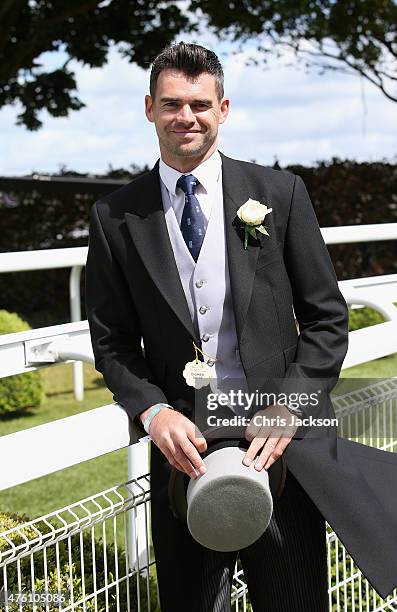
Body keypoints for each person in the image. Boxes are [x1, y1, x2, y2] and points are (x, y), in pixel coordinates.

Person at [85, 41, 350, 611]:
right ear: (150, 108)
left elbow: (328, 320)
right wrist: (153, 411)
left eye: (201, 104)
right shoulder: (114, 217)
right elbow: (110, 343)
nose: (188, 117)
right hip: (184, 453)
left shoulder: (280, 194)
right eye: (173, 103)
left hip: (276, 447)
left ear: (223, 109)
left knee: (295, 601)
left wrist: (291, 406)